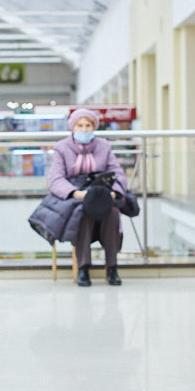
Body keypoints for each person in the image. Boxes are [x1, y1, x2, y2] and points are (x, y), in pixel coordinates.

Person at [46, 108, 130, 286]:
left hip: (102, 194)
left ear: (94, 127)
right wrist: (76, 193)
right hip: (76, 195)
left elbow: (118, 173)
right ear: (73, 127)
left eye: (88, 125)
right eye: (80, 125)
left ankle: (112, 267)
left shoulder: (104, 146)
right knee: (82, 213)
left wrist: (113, 191)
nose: (84, 129)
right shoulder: (62, 148)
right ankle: (84, 267)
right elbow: (55, 179)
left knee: (113, 213)